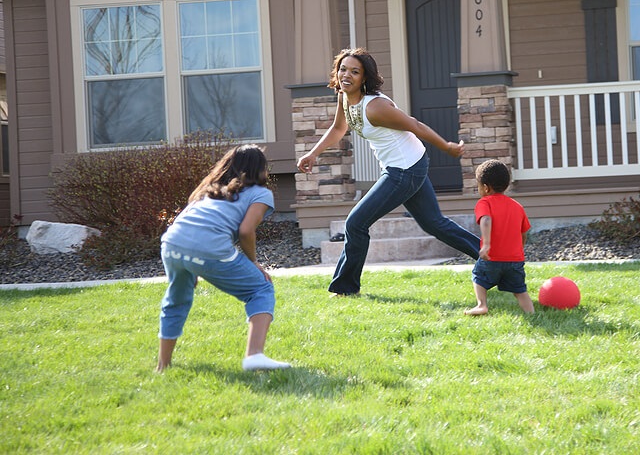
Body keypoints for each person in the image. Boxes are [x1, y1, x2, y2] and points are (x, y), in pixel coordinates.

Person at [297, 47, 480, 296]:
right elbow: (339, 128)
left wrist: (446, 146)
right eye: (343, 69)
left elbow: (415, 125)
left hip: (404, 170)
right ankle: (492, 257)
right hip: (408, 165)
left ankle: (345, 288)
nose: (346, 75)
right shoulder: (344, 97)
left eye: (354, 71)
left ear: (364, 78)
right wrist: (313, 153)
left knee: (356, 223)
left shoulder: (375, 107)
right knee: (433, 223)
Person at [156, 144, 291, 372]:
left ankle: (163, 366)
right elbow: (246, 231)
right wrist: (254, 262)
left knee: (176, 299)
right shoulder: (261, 193)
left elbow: (187, 223)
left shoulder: (207, 191)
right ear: (260, 169)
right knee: (260, 288)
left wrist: (189, 267)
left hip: (171, 244)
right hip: (208, 247)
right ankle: (254, 356)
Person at [465, 159, 534, 315]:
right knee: (520, 290)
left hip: (492, 258)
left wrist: (487, 244)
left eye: (478, 186)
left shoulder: (484, 203)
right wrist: (519, 250)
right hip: (515, 260)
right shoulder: (517, 206)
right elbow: (524, 233)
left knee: (478, 277)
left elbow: (486, 219)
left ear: (485, 187)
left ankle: (482, 305)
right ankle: (531, 313)